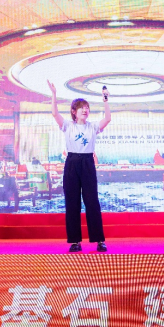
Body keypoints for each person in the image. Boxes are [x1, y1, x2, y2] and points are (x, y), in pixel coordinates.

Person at [47, 80, 111, 252]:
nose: (85, 110)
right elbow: (54, 113)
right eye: (82, 107)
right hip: (72, 164)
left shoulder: (93, 127)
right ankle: (75, 241)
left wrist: (105, 100)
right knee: (72, 203)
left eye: (87, 107)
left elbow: (108, 118)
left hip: (88, 163)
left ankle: (99, 240)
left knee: (92, 202)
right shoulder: (68, 126)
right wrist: (54, 94)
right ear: (74, 112)